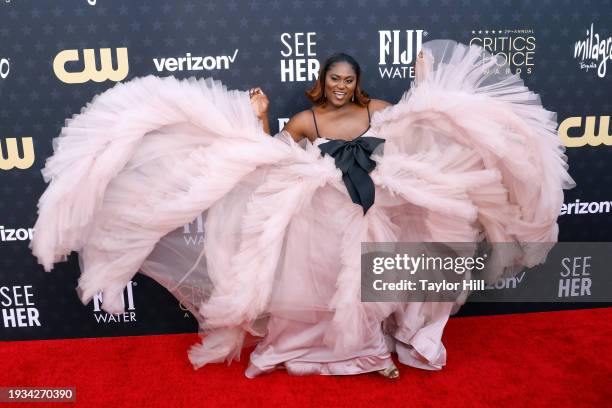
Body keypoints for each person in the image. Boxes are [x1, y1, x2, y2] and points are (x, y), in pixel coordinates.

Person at [30, 39, 575, 379]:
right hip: (318, 219)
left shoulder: (378, 111)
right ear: (324, 82)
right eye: (333, 79)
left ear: (357, 84)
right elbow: (271, 159)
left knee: (368, 287)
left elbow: (415, 124)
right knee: (318, 287)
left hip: (367, 214)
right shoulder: (305, 122)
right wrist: (260, 117)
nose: (341, 87)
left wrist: (427, 83)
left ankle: (366, 350)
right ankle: (306, 348)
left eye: (349, 80)